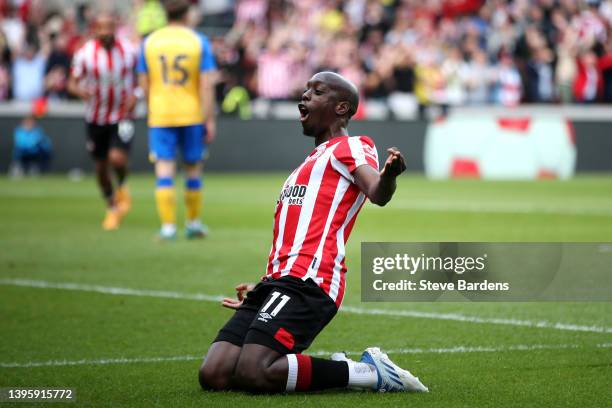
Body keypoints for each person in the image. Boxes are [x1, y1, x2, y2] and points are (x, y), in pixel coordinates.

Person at [198, 72, 428, 394]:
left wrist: (389, 175)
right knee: (214, 374)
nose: (304, 96)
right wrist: (265, 288)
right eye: (305, 89)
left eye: (317, 92)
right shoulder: (305, 165)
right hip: (278, 282)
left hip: (311, 281)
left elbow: (377, 192)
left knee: (254, 371)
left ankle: (368, 373)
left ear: (341, 108)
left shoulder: (352, 147)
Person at [137, 0, 217, 240]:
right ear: (187, 13)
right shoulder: (198, 41)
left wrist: (153, 105)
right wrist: (209, 118)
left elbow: (144, 81)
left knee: (164, 169)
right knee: (193, 168)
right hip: (191, 113)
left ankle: (168, 227)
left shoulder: (149, 42)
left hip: (160, 114)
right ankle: (193, 223)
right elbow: (206, 84)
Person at [68, 12, 137, 231]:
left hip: (123, 115)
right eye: (102, 28)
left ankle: (123, 187)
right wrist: (79, 91)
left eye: (110, 28)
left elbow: (143, 78)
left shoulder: (129, 52)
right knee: (100, 167)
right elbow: (72, 82)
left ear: (116, 28)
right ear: (95, 29)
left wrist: (137, 95)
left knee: (117, 158)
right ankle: (111, 206)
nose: (106, 32)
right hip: (96, 117)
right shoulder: (85, 54)